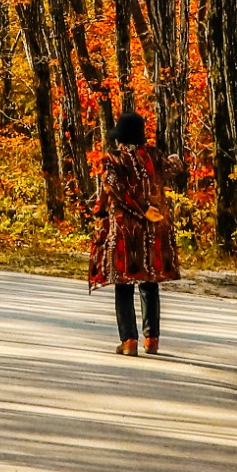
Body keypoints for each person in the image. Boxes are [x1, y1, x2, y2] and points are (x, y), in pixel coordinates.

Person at [89, 110, 179, 356]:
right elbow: (173, 169)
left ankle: (129, 340)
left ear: (120, 139)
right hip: (154, 230)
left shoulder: (114, 161)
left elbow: (115, 189)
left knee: (124, 283)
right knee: (149, 281)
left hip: (126, 229)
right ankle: (152, 339)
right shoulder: (154, 157)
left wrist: (102, 211)